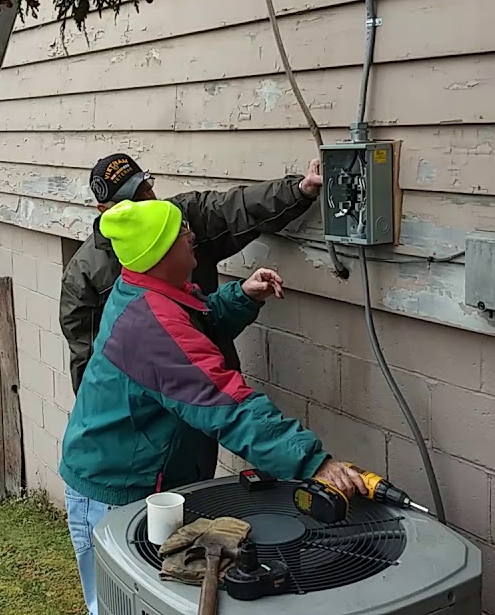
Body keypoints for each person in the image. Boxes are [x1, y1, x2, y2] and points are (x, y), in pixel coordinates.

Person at [58, 199, 365, 615]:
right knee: (119, 605)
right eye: (181, 230)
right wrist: (314, 463)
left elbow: (194, 325)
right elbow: (225, 403)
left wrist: (241, 296)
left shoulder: (150, 291)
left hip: (137, 477)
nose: (191, 234)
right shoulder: (150, 324)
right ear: (160, 254)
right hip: (116, 491)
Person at [59, 153, 323, 484]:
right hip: (135, 461)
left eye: (145, 188)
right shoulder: (103, 286)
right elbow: (218, 400)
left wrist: (298, 190)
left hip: (181, 433)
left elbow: (233, 209)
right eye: (186, 241)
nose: (191, 239)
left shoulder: (166, 232)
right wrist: (315, 465)